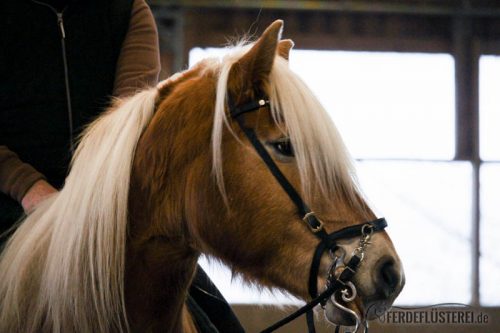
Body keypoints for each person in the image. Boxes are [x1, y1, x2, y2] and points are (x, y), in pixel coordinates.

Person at [0, 0, 244, 331]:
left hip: (101, 205)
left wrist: (84, 200)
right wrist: (29, 187)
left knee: (217, 320)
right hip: (11, 201)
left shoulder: (127, 11)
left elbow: (125, 118)